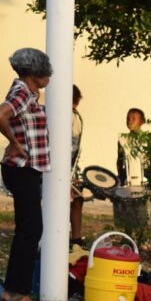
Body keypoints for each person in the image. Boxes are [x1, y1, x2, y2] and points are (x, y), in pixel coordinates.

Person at [0, 47, 52, 301]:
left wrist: (15, 140)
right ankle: (18, 294)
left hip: (26, 168)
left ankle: (13, 291)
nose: (49, 76)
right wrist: (14, 143)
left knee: (27, 230)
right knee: (30, 230)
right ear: (33, 73)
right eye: (45, 71)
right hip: (22, 168)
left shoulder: (28, 93)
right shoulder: (23, 93)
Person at [69, 85, 85, 248]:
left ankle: (76, 239)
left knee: (77, 199)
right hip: (61, 165)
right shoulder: (67, 116)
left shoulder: (75, 116)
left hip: (71, 165)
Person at [117, 108, 147, 187]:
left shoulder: (147, 139)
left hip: (145, 175)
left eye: (133, 118)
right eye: (128, 119)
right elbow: (120, 160)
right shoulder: (122, 139)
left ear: (142, 122)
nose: (130, 121)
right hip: (127, 176)